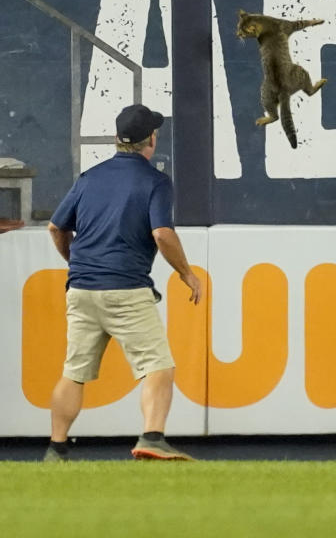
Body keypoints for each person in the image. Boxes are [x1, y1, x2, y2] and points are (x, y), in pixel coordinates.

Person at [44, 104, 202, 462]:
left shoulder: (89, 178)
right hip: (126, 289)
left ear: (117, 138)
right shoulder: (155, 181)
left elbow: (56, 227)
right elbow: (162, 233)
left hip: (82, 290)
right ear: (152, 140)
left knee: (74, 372)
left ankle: (56, 448)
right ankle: (152, 436)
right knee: (158, 365)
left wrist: (75, 263)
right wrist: (186, 273)